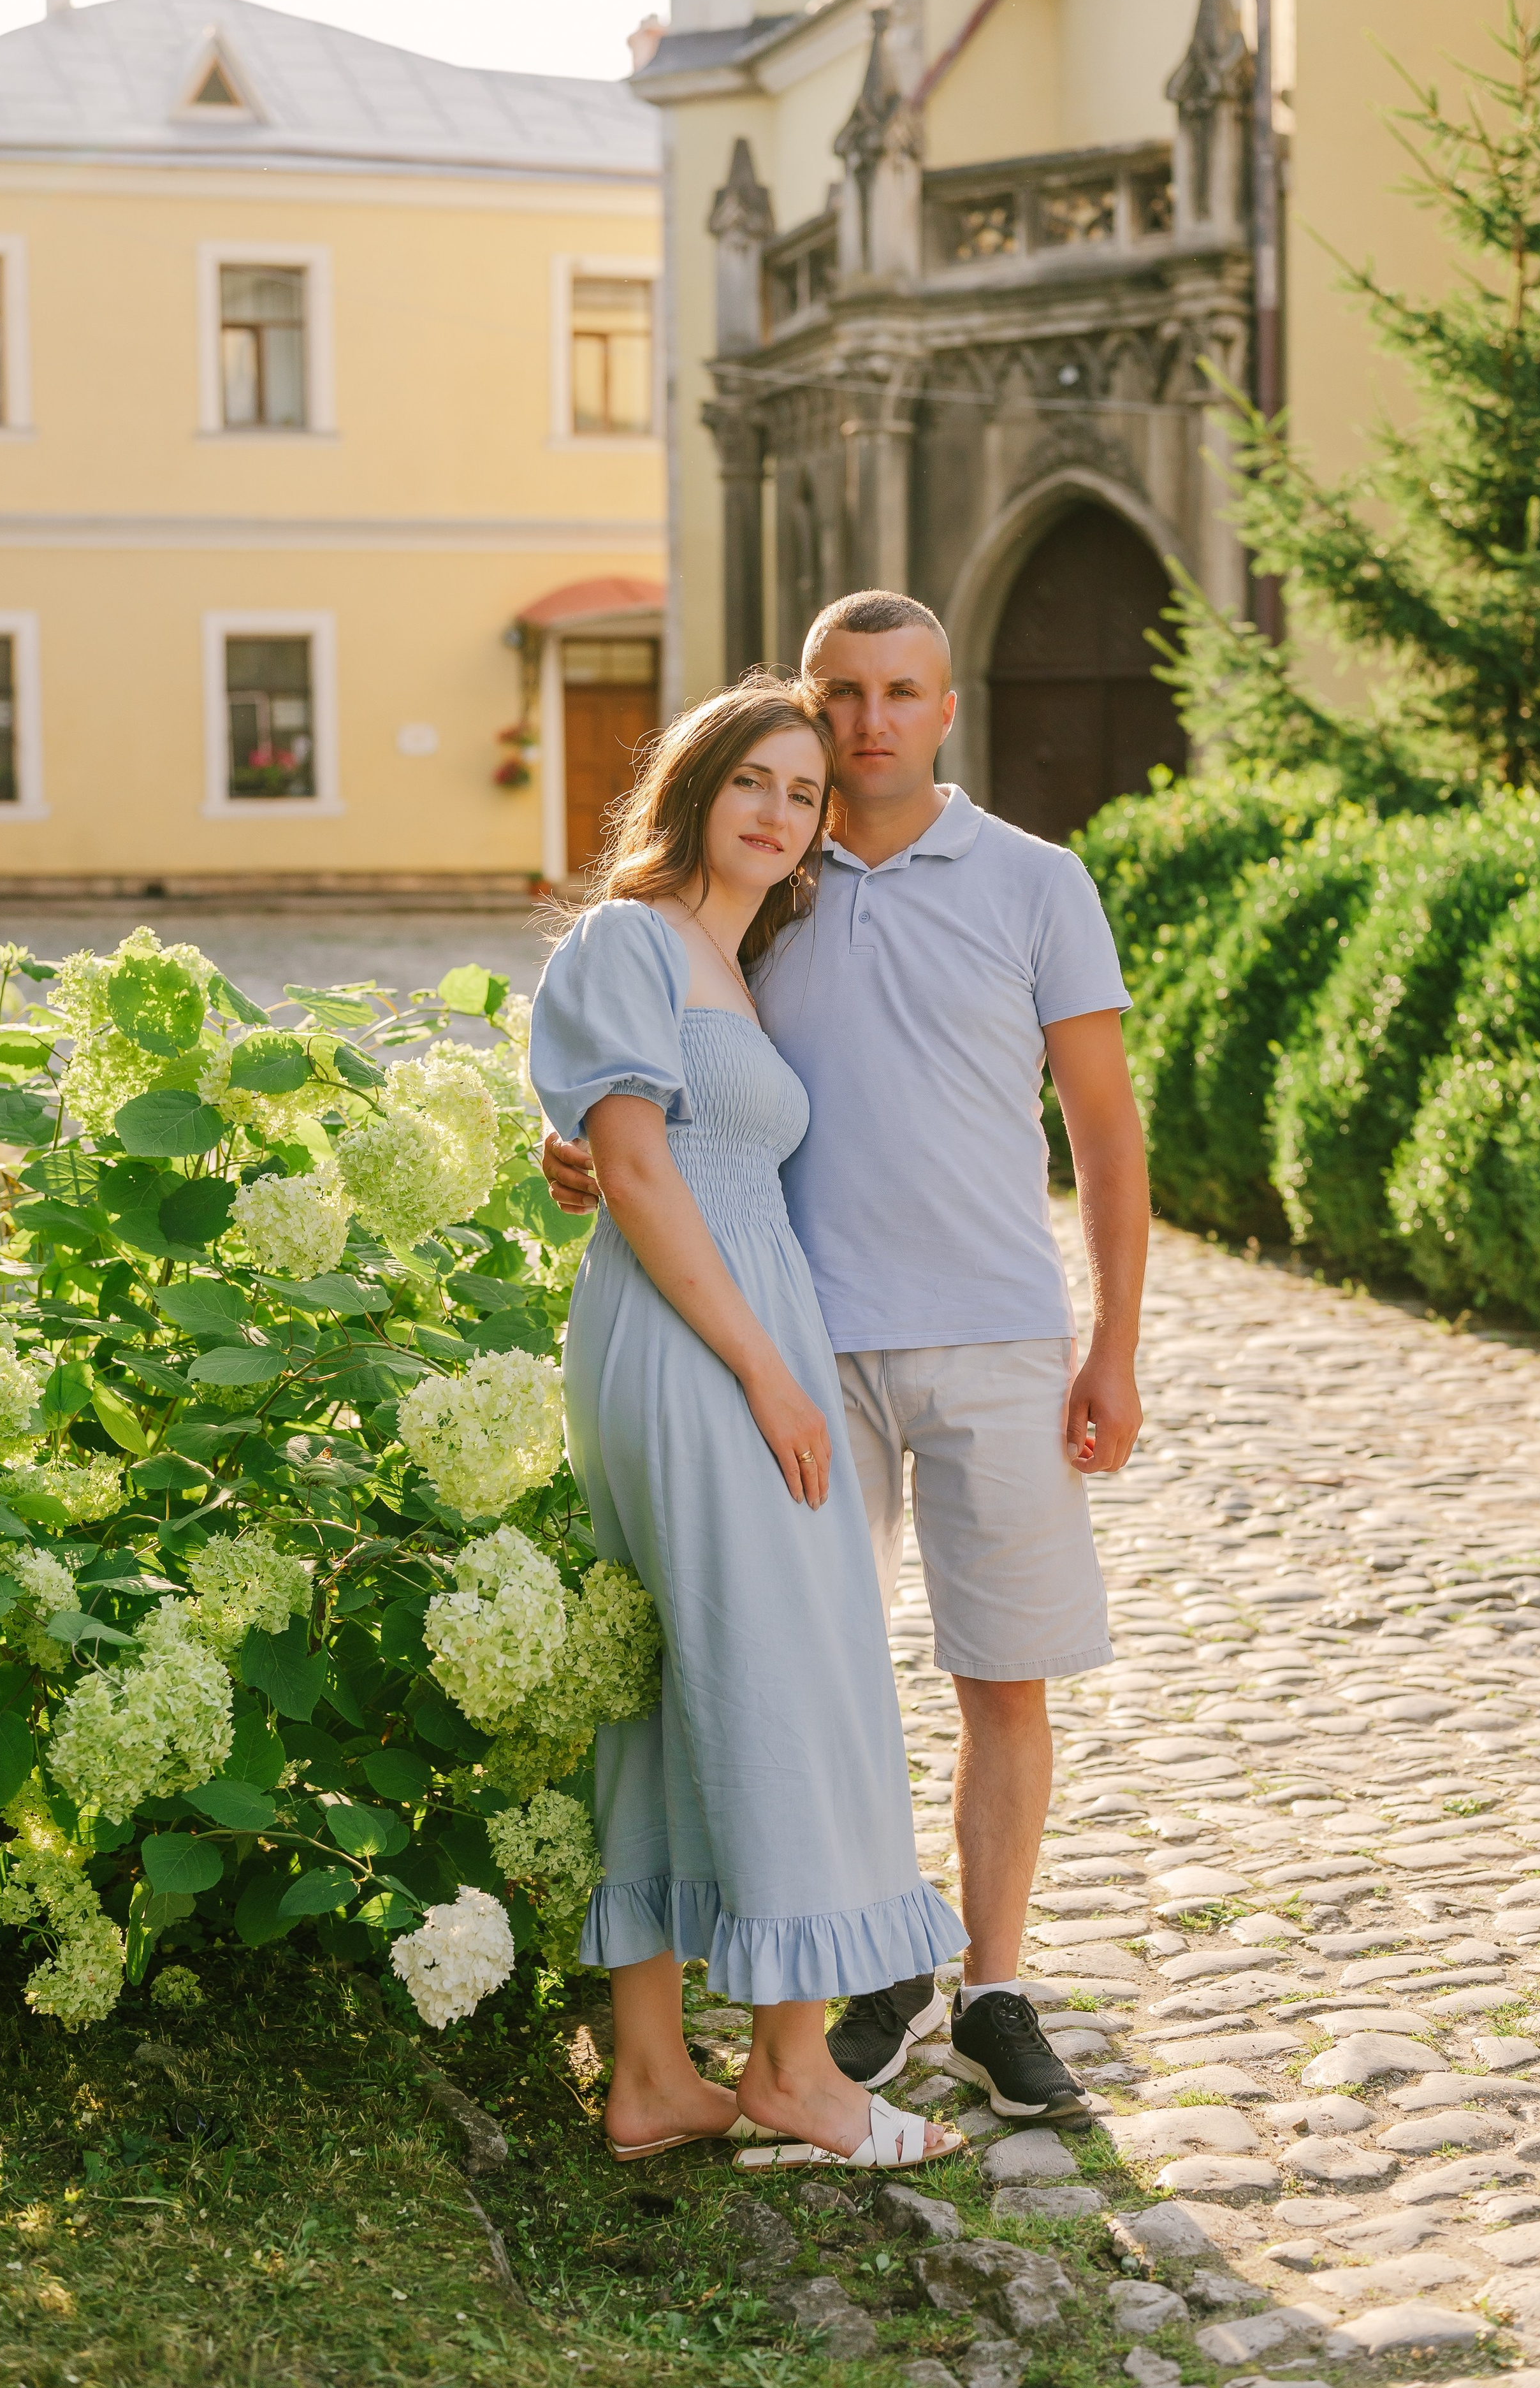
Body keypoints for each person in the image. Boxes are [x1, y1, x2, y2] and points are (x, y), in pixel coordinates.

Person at [546, 592, 1148, 2128]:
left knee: (993, 1673)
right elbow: (660, 1093)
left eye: (899, 694)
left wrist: (1115, 1340)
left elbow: (1101, 1126)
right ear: (804, 718)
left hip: (992, 1333)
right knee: (790, 1677)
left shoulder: (1031, 880)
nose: (867, 723)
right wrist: (583, 1148)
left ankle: (988, 1987)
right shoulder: (773, 898)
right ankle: (837, 1998)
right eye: (837, 702)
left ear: (944, 709)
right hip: (796, 1339)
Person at [527, 678, 968, 2173]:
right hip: (693, 1343)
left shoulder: (733, 956)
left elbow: (653, 1142)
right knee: (790, 1669)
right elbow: (643, 1173)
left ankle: (651, 2076)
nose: (781, 815)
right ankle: (796, 2069)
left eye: (804, 794)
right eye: (755, 784)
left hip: (736, 1324)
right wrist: (770, 1376)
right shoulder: (628, 935)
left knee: (663, 1682)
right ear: (696, 788)